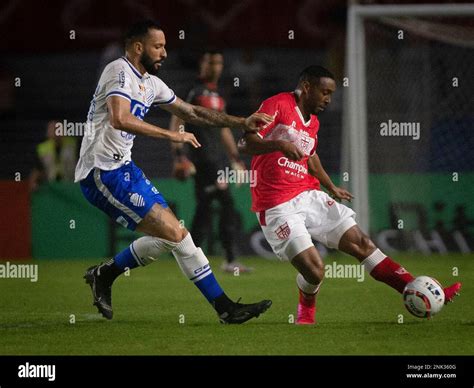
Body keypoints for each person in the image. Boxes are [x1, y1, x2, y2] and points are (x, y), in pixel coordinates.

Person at [75, 20, 273, 323]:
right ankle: (225, 309)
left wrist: (241, 122)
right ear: (138, 47)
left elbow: (192, 112)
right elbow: (120, 119)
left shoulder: (152, 83)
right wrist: (173, 136)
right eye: (158, 46)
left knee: (175, 236)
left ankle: (106, 274)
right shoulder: (118, 70)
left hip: (124, 169)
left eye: (165, 46)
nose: (164, 53)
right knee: (176, 234)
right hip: (101, 172)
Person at [238, 65, 462, 324]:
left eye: (331, 94)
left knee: (363, 244)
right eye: (324, 92)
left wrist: (329, 185)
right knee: (315, 271)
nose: (328, 99)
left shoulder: (314, 122)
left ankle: (421, 291)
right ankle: (306, 307)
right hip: (277, 205)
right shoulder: (278, 104)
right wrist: (279, 144)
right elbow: (245, 143)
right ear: (307, 87)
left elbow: (310, 156)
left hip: (308, 194)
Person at [169, 50, 252, 273]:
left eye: (218, 62)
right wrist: (179, 155)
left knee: (206, 207)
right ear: (202, 64)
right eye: (210, 62)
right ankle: (229, 258)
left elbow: (223, 129)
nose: (215, 66)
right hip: (201, 158)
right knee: (225, 203)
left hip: (218, 159)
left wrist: (236, 157)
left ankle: (189, 255)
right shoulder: (193, 91)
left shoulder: (218, 95)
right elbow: (177, 119)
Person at [29, 120, 77, 191]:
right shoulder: (42, 149)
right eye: (53, 130)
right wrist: (33, 183)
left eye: (58, 129)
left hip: (72, 186)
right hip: (52, 189)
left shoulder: (74, 144)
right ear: (48, 133)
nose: (56, 133)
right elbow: (37, 169)